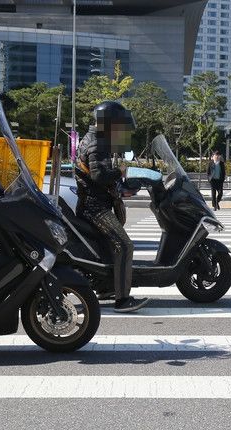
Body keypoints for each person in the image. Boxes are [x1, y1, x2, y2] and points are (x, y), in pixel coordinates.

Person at [74, 101, 149, 313]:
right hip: (94, 207)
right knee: (124, 246)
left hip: (93, 203)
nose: (121, 130)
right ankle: (123, 300)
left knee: (108, 246)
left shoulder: (95, 139)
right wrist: (121, 173)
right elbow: (99, 176)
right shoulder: (97, 143)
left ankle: (107, 287)